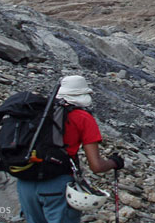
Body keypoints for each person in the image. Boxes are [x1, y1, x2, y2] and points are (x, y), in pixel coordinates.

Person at [16, 75, 124, 223]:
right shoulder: (82, 117)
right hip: (57, 183)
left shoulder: (35, 112)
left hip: (25, 181)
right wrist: (114, 162)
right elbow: (96, 166)